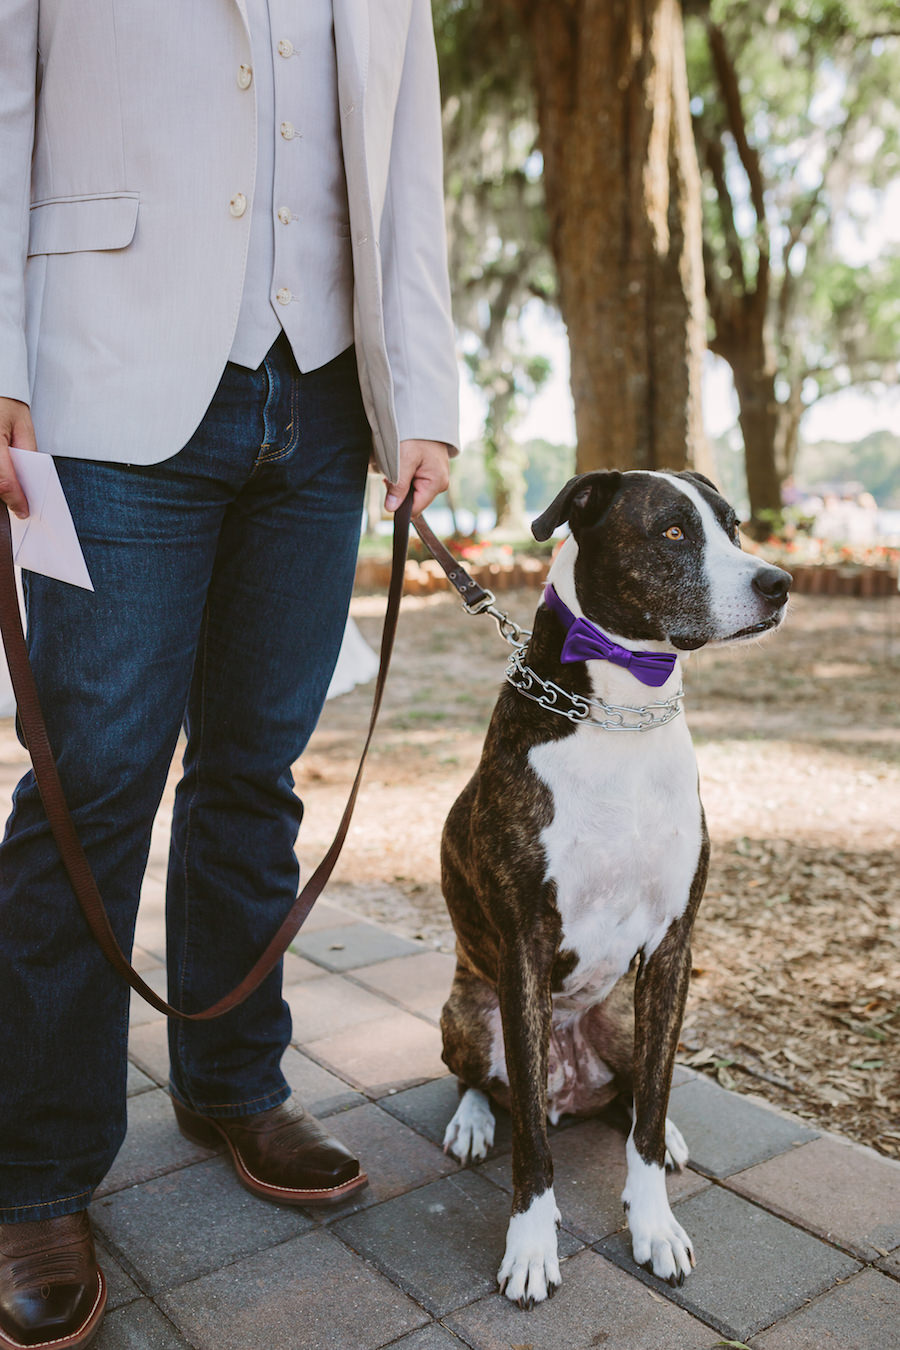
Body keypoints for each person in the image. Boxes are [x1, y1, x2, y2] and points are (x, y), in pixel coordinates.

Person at [0, 3, 459, 1346]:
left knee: (257, 767)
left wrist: (420, 395)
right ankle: (32, 1167)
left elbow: (406, 168)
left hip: (321, 402)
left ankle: (233, 1079)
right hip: (104, 379)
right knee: (89, 786)